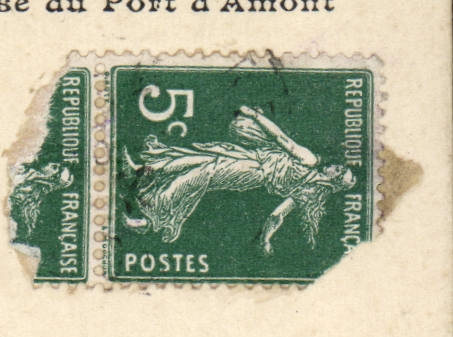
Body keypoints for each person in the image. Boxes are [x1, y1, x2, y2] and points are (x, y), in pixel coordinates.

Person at [122, 106, 356, 254]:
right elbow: (277, 216)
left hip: (253, 170)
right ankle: (140, 170)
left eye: (339, 171)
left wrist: (256, 116)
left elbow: (282, 139)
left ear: (334, 180)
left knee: (201, 173)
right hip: (250, 159)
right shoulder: (309, 191)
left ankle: (150, 219)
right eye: (340, 167)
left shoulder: (310, 161)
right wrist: (265, 239)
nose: (336, 166)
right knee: (198, 159)